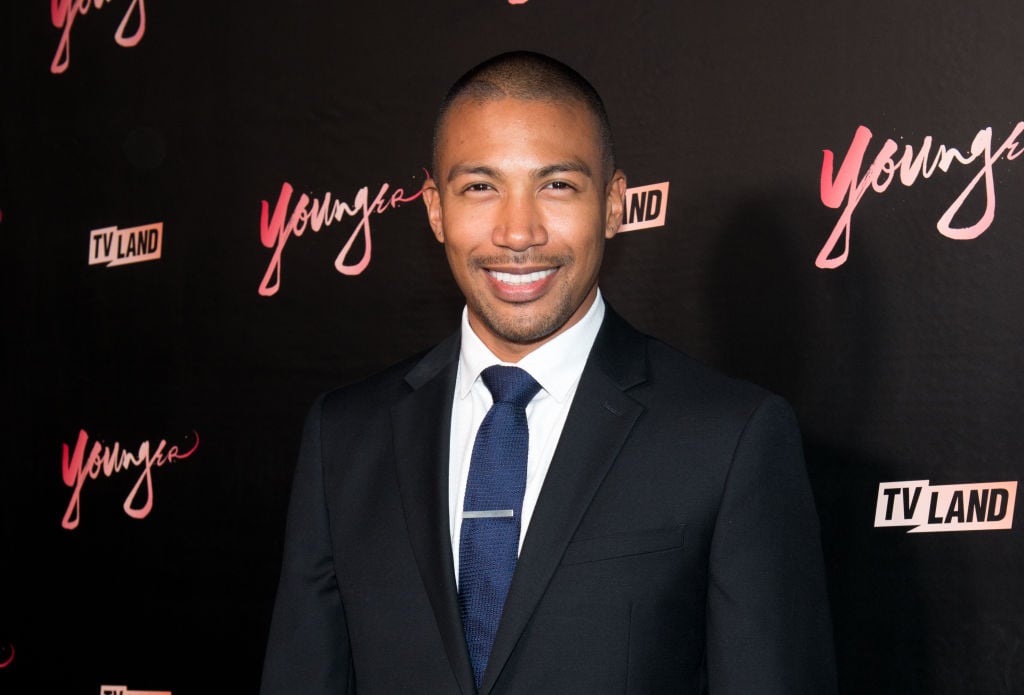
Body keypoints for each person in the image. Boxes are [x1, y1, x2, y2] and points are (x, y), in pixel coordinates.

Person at [259, 50, 837, 695]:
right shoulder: (342, 438)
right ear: (434, 209)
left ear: (615, 204)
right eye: (481, 186)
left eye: (556, 185)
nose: (517, 232)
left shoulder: (730, 438)